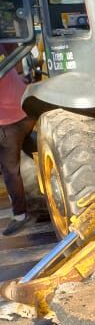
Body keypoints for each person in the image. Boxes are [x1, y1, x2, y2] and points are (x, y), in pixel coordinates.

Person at [0, 61, 34, 237]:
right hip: (27, 109)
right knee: (33, 152)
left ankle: (20, 216)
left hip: (8, 123)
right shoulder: (3, 42)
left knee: (10, 171)